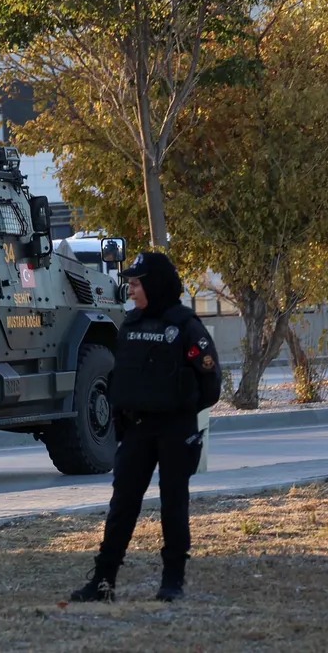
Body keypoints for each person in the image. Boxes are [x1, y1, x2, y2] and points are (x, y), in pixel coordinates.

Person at [70, 250, 220, 603]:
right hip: (137, 431)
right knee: (122, 505)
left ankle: (172, 583)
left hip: (174, 430)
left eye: (136, 284)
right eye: (131, 284)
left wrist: (180, 411)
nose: (132, 290)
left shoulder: (184, 326)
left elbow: (210, 380)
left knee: (173, 505)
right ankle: (103, 583)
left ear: (154, 285)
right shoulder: (131, 325)